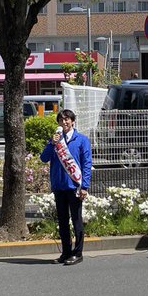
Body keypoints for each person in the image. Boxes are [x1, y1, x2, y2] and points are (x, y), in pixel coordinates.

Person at [40, 109, 93, 266]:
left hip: (74, 187)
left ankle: (78, 253)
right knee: (62, 221)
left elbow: (87, 164)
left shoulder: (82, 140)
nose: (64, 122)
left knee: (76, 220)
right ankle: (66, 252)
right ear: (58, 123)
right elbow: (44, 158)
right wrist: (52, 143)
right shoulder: (56, 141)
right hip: (59, 186)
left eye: (67, 119)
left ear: (73, 121)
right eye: (61, 120)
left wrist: (85, 186)